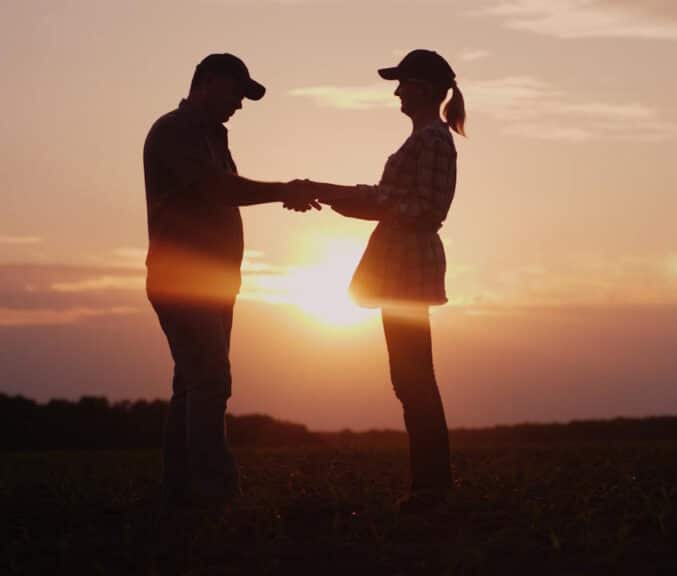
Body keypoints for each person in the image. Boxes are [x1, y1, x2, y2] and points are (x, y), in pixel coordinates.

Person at [143, 53, 319, 509]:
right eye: (236, 92)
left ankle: (181, 493)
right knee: (211, 381)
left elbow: (225, 192)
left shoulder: (209, 136)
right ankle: (212, 494)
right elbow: (219, 190)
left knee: (192, 384)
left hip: (214, 283)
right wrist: (284, 190)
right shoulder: (176, 131)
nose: (240, 104)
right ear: (205, 82)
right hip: (184, 281)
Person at [309, 49, 466, 513]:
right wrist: (348, 199)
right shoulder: (424, 139)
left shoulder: (433, 141)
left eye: (404, 82)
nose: (397, 91)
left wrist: (349, 197)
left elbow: (423, 208)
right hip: (400, 267)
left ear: (425, 88)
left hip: (408, 269)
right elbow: (397, 200)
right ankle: (430, 486)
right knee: (409, 376)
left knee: (414, 377)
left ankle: (432, 488)